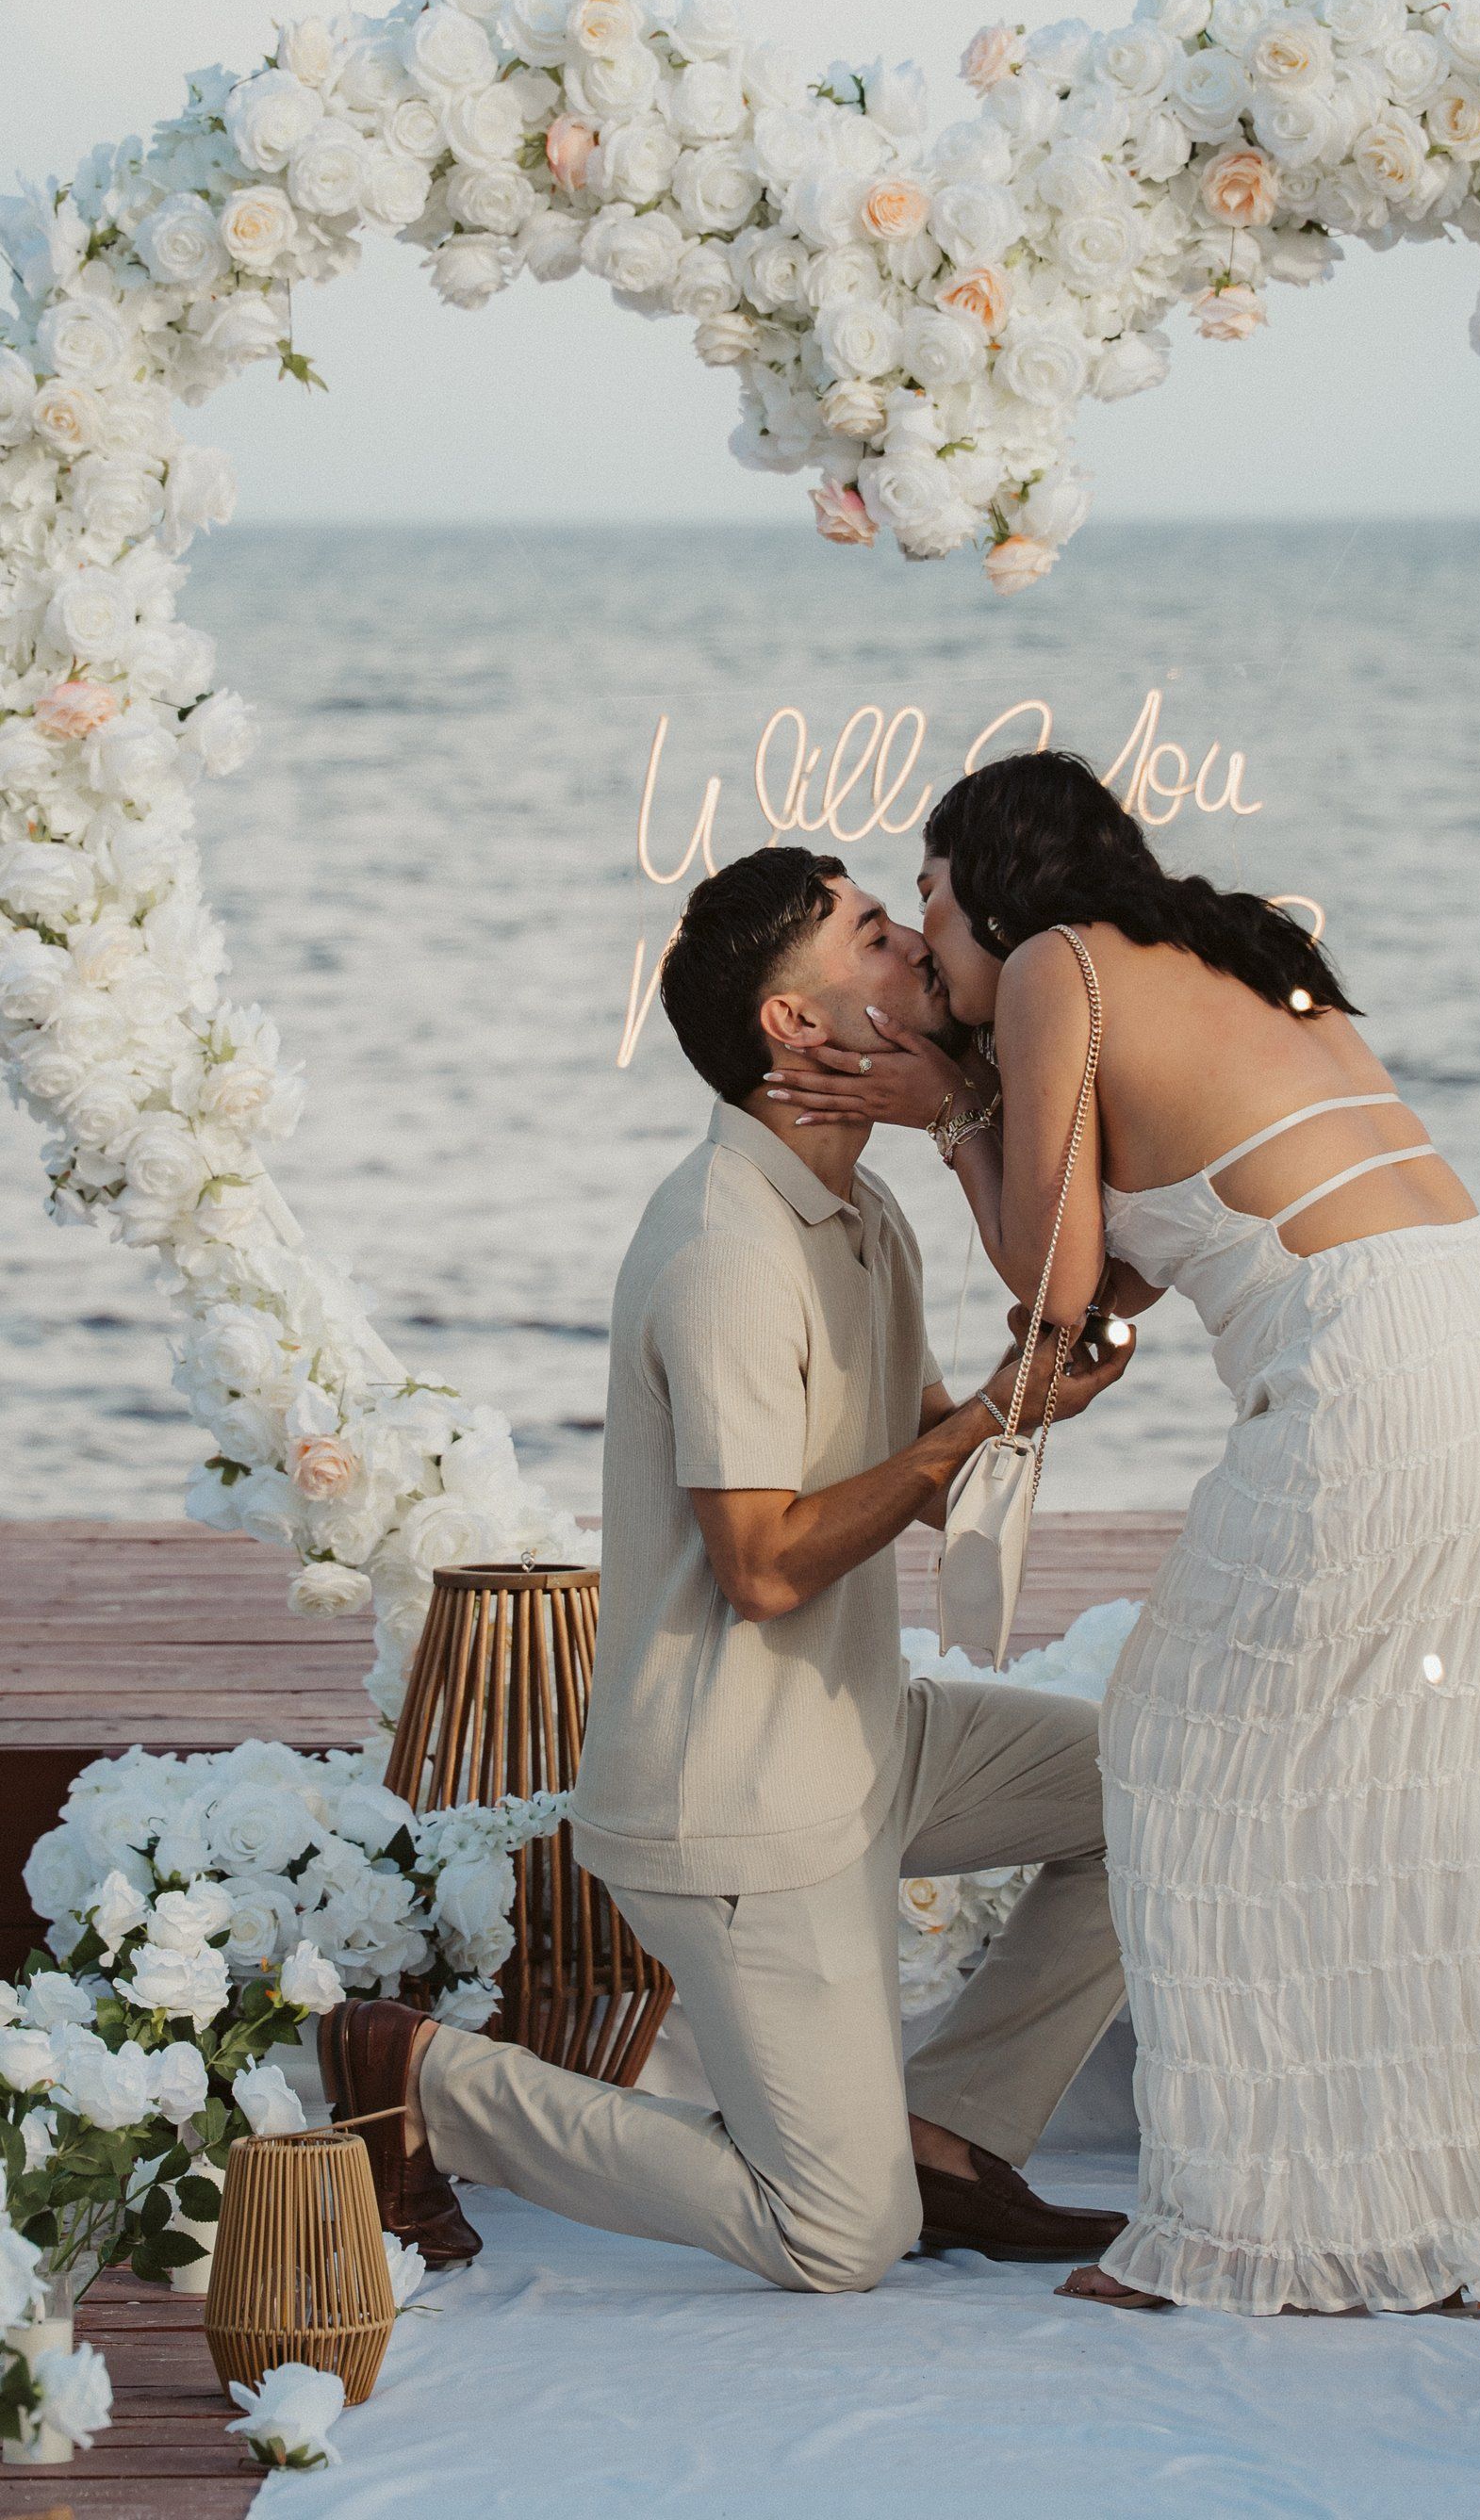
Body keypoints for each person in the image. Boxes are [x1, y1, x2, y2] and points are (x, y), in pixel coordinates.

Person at [762, 751, 1480, 2318]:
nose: (926, 947)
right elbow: (1142, 1256)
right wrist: (985, 1099)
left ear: (994, 886)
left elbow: (1058, 1286)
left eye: (929, 906)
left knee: (1176, 1747)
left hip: (1377, 1371)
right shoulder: (1223, 946)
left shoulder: (1053, 970)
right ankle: (1435, 2214)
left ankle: (1244, 2230)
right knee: (1418, 1792)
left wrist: (950, 1115)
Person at [321, 843, 1135, 2293]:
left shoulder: (863, 1209)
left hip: (864, 1737)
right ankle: (430, 2081)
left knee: (1153, 1789)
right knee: (835, 2239)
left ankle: (946, 2137)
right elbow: (762, 1566)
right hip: (739, 1800)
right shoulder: (725, 1252)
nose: (918, 958)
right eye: (878, 936)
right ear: (799, 1027)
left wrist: (1038, 1390)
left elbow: (921, 1471)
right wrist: (972, 1438)